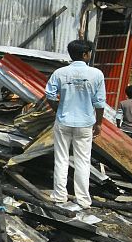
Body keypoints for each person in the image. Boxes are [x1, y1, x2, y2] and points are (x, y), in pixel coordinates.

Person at [45, 39, 107, 208]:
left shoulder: (60, 73)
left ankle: (59, 196)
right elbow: (99, 103)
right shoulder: (96, 74)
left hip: (63, 121)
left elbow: (50, 95)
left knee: (61, 159)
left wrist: (58, 109)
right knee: (82, 161)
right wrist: (99, 123)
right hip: (85, 123)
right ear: (85, 54)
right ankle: (83, 199)